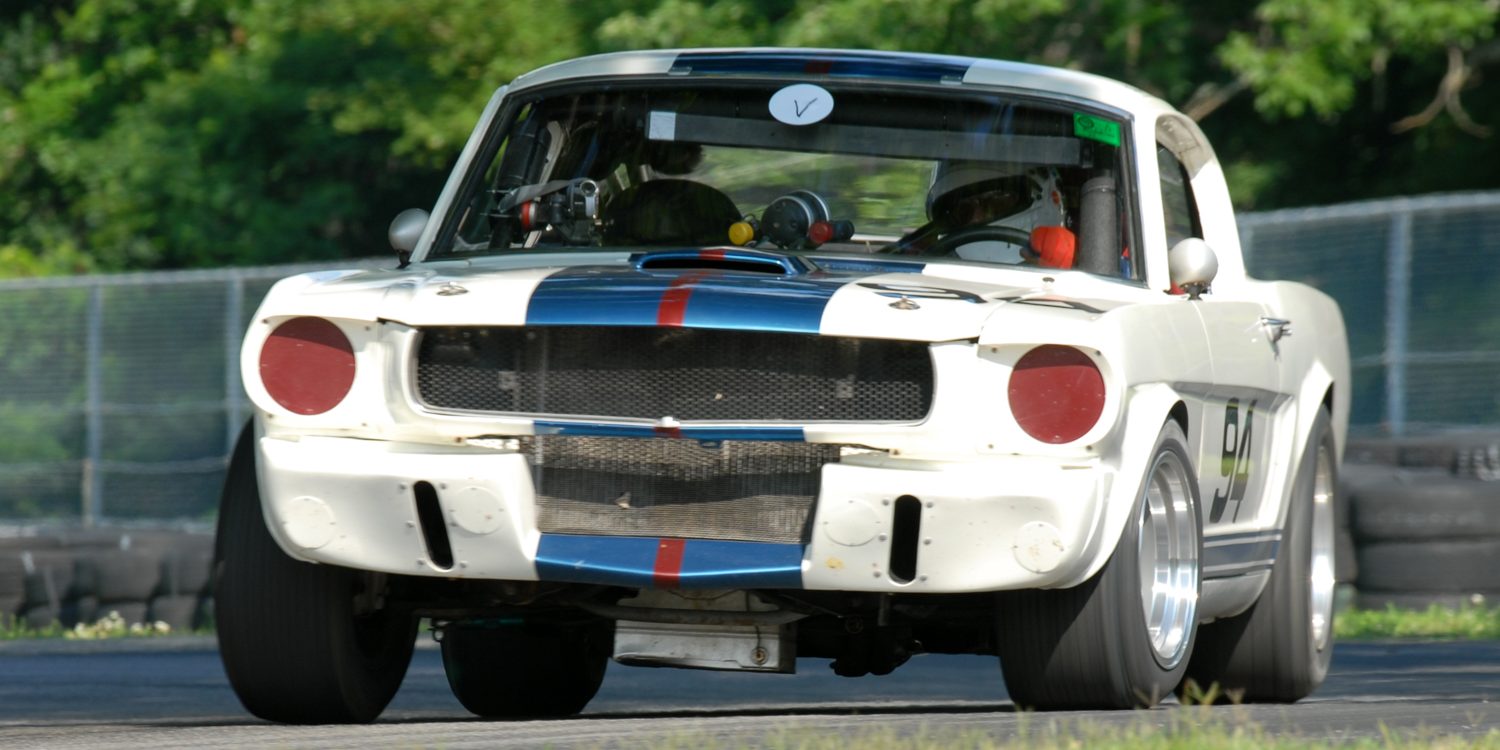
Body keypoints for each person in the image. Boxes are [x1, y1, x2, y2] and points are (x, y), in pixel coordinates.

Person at [902, 161, 1074, 268]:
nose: (976, 218)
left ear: (1047, 197)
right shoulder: (935, 266)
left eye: (995, 202)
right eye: (963, 211)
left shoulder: (1081, 276)